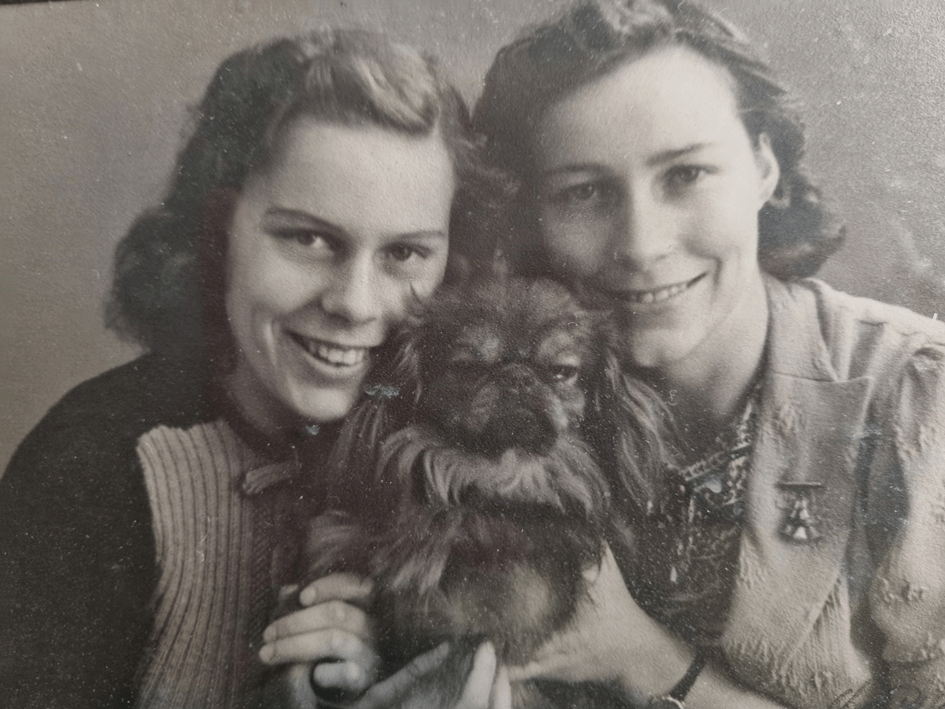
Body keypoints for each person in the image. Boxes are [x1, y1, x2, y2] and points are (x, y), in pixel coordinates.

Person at [0, 29, 507, 709]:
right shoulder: (95, 464)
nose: (356, 303)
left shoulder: (457, 446)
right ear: (220, 232)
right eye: (309, 238)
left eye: (405, 254)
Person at [473, 1, 945, 707]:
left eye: (686, 175)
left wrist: (650, 660)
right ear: (531, 216)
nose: (641, 243)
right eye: (584, 192)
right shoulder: (514, 401)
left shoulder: (917, 401)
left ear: (763, 167)